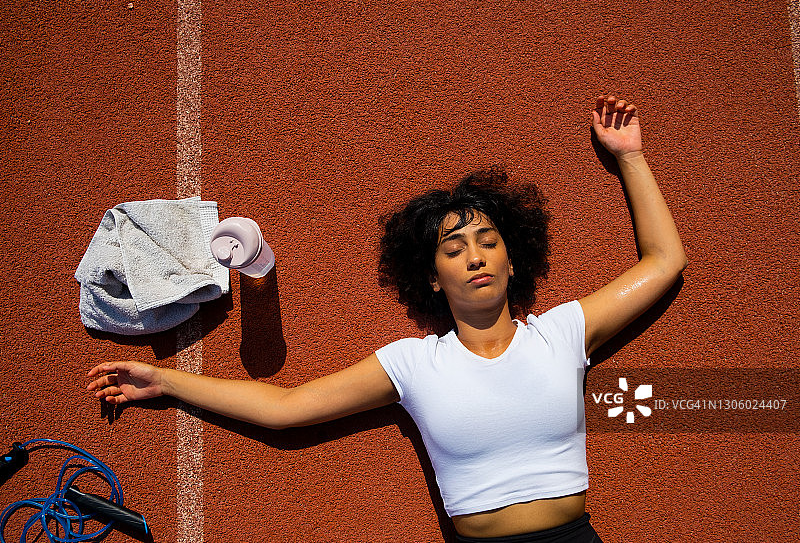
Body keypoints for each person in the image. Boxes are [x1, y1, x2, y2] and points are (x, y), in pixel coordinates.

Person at [87, 95, 687, 542]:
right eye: (453, 249)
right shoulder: (413, 364)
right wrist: (167, 381)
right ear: (432, 277)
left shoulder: (562, 332)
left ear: (511, 259)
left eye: (487, 241)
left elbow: (663, 263)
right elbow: (288, 407)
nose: (474, 256)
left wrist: (630, 156)